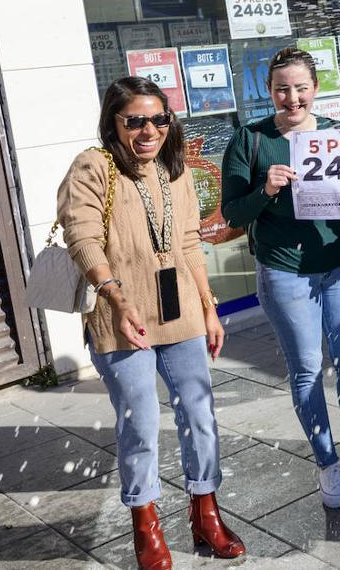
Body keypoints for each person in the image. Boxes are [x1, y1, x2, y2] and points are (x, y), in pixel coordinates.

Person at [58, 77, 245, 570]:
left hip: (179, 309)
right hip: (120, 316)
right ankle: (146, 526)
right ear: (113, 123)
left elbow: (187, 244)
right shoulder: (93, 167)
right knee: (140, 424)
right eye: (135, 120)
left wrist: (209, 306)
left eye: (159, 119)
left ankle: (205, 512)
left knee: (200, 415)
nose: (148, 130)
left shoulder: (175, 169)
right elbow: (82, 240)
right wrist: (116, 298)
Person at [221, 48, 340, 510]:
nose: (292, 97)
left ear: (315, 88)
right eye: (282, 88)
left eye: (301, 87)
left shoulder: (337, 135)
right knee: (305, 369)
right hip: (285, 272)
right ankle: (327, 463)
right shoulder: (251, 139)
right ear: (269, 91)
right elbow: (232, 212)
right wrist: (266, 189)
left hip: (339, 265)